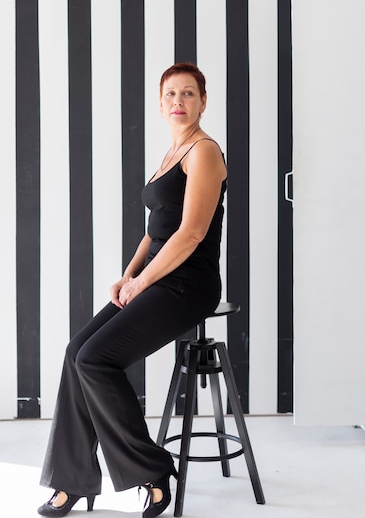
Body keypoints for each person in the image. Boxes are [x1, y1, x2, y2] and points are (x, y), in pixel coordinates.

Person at [37, 62, 227, 518]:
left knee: (96, 359)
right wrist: (129, 274)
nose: (178, 102)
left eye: (188, 94)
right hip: (158, 275)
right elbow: (155, 230)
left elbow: (191, 233)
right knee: (75, 352)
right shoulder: (170, 154)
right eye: (170, 95)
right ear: (161, 104)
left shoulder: (204, 153)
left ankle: (151, 472)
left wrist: (144, 281)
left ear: (203, 102)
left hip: (188, 283)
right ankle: (73, 481)